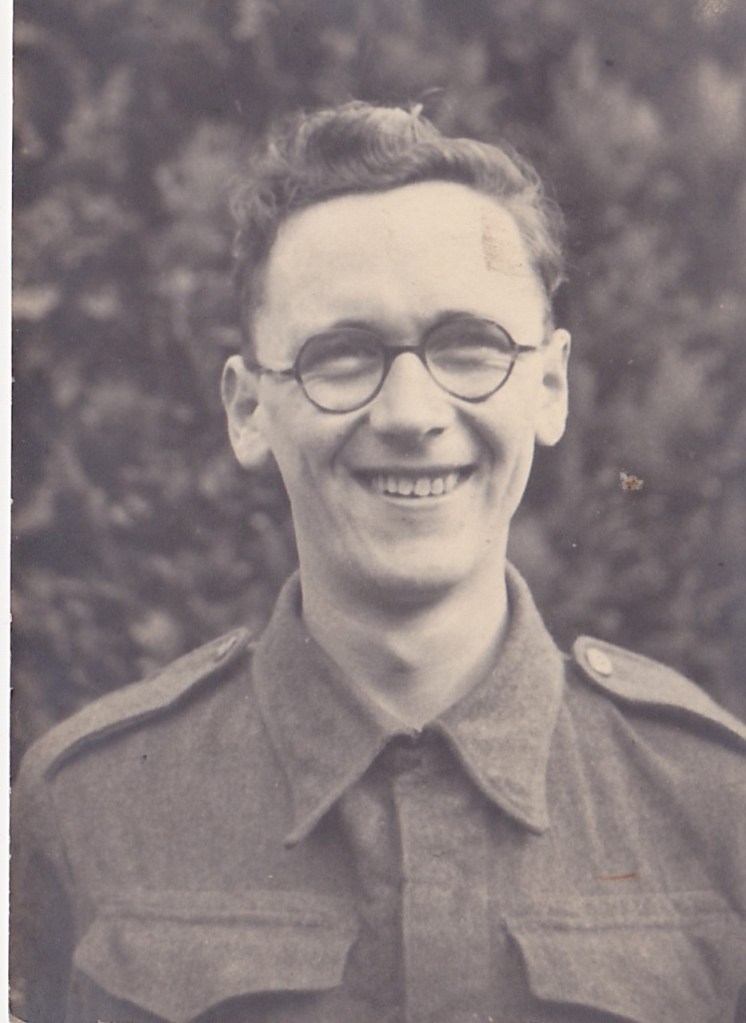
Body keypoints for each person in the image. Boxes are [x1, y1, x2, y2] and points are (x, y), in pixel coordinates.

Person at [10, 101, 746, 1023]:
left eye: (470, 348)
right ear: (248, 409)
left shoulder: (715, 801)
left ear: (550, 386)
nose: (410, 414)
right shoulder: (90, 805)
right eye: (343, 355)